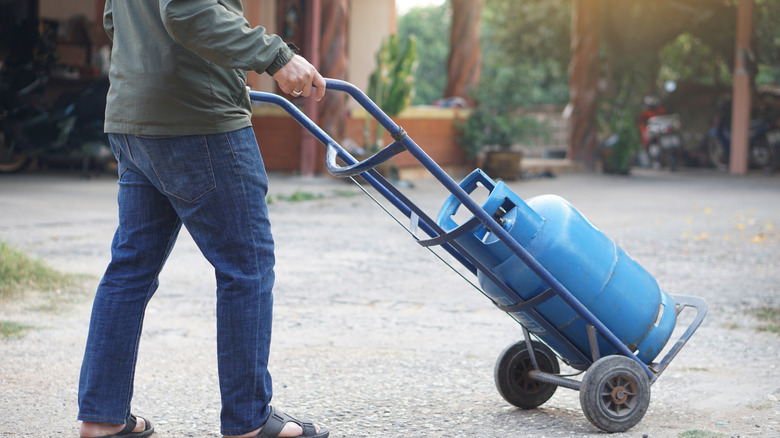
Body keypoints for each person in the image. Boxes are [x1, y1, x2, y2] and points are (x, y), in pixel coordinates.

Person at [77, 1, 328, 438]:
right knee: (246, 268)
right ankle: (248, 421)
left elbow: (114, 19)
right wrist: (277, 56)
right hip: (198, 122)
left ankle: (102, 418)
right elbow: (187, 12)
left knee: (130, 269)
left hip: (133, 118)